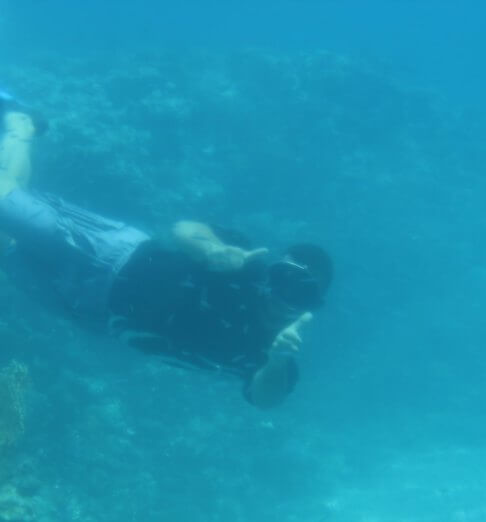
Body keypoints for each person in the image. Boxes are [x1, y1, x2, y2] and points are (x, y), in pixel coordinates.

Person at [0, 93, 333, 409]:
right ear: (273, 270)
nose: (280, 299)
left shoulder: (274, 356)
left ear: (311, 308)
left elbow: (265, 400)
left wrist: (277, 361)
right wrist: (212, 249)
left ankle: (22, 128)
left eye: (300, 296)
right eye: (282, 280)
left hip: (94, 313)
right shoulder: (247, 266)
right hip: (111, 254)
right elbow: (183, 229)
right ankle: (20, 130)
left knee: (10, 241)